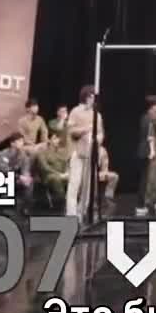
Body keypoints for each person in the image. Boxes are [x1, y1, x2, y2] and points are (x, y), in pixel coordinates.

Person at [66, 86, 105, 219]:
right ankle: (71, 214)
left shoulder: (97, 115)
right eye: (91, 96)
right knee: (74, 184)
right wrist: (85, 130)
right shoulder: (75, 111)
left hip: (91, 154)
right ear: (86, 97)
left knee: (88, 187)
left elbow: (101, 133)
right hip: (78, 152)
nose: (93, 99)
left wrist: (98, 139)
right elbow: (71, 131)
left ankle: (81, 212)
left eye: (94, 97)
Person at [135, 95, 156, 216]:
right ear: (153, 107)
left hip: (146, 151)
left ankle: (149, 203)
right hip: (147, 152)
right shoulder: (148, 119)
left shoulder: (146, 117)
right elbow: (150, 137)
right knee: (145, 179)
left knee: (150, 179)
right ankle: (141, 205)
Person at [37, 131, 70, 207]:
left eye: (58, 139)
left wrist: (67, 172)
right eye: (55, 138)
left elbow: (66, 164)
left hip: (62, 174)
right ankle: (62, 202)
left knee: (74, 178)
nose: (57, 141)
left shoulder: (61, 152)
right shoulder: (42, 152)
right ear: (49, 140)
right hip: (48, 176)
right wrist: (59, 174)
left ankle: (75, 200)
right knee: (56, 179)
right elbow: (44, 167)